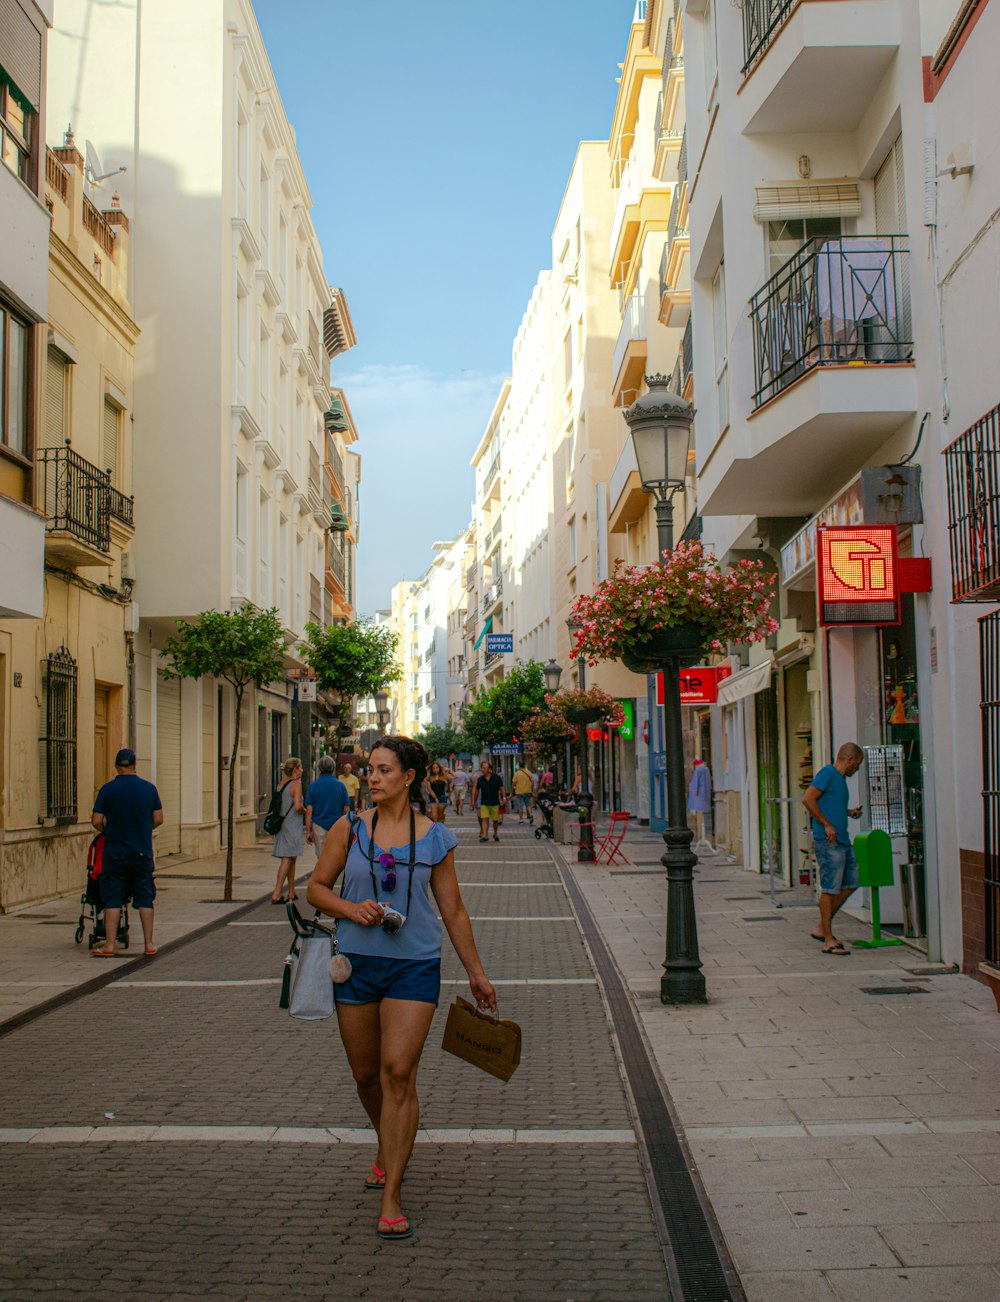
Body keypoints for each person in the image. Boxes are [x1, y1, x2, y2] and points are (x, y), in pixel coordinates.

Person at [307, 735, 496, 1242]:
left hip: (413, 965)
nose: (372, 777)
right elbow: (316, 889)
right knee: (367, 1076)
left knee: (398, 1072)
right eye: (370, 769)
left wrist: (476, 972)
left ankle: (393, 1192)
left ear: (407, 778)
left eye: (384, 770)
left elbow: (453, 910)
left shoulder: (435, 838)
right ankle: (384, 1142)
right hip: (356, 963)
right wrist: (351, 909)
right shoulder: (349, 829)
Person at [90, 748, 163, 958]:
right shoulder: (149, 789)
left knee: (113, 897)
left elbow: (96, 820)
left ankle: (110, 945)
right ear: (134, 765)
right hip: (142, 852)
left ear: (116, 766)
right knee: (145, 897)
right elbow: (159, 818)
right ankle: (149, 944)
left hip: (115, 853)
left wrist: (108, 830)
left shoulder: (107, 790)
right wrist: (143, 828)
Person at [802, 742, 865, 956]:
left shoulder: (839, 780)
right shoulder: (828, 773)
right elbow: (808, 799)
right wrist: (827, 824)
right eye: (856, 765)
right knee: (830, 887)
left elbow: (829, 803)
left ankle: (822, 927)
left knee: (852, 882)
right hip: (828, 841)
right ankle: (828, 940)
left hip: (842, 840)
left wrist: (848, 813)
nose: (856, 769)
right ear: (849, 760)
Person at [271, 757, 305, 905]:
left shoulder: (281, 784)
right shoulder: (296, 784)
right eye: (301, 767)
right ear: (295, 770)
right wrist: (306, 811)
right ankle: (277, 893)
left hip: (283, 824)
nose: (302, 770)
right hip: (292, 824)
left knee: (292, 858)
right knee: (287, 858)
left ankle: (291, 892)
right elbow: (297, 806)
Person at [304, 756, 351, 858]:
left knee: (321, 857)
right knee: (336, 856)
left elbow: (309, 810)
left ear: (320, 768)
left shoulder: (313, 786)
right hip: (336, 825)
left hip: (318, 825)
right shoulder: (340, 786)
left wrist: (308, 831)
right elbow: (346, 809)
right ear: (333, 768)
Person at [472, 760, 505, 844]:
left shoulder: (497, 778)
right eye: (482, 768)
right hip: (484, 803)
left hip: (494, 802)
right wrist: (474, 801)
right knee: (484, 819)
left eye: (484, 768)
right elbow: (477, 791)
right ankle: (485, 836)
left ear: (489, 769)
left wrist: (504, 797)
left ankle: (495, 833)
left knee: (495, 820)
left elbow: (501, 788)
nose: (482, 770)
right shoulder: (480, 779)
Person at [511, 761, 534, 825]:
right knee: (528, 805)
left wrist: (512, 790)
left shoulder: (517, 773)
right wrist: (531, 790)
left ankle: (521, 820)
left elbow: (513, 783)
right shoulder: (529, 772)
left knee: (520, 806)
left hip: (519, 792)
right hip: (528, 791)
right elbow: (532, 782)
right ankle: (531, 815)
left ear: (519, 766)